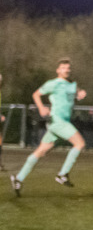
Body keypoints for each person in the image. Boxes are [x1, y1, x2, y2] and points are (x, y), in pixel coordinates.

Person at [10, 58, 87, 196]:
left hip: (60, 122)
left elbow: (75, 93)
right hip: (58, 121)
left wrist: (80, 94)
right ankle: (63, 174)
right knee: (79, 144)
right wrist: (41, 108)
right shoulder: (53, 84)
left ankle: (18, 178)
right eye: (63, 67)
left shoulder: (72, 84)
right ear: (58, 70)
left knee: (41, 151)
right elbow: (36, 94)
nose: (66, 70)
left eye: (68, 68)